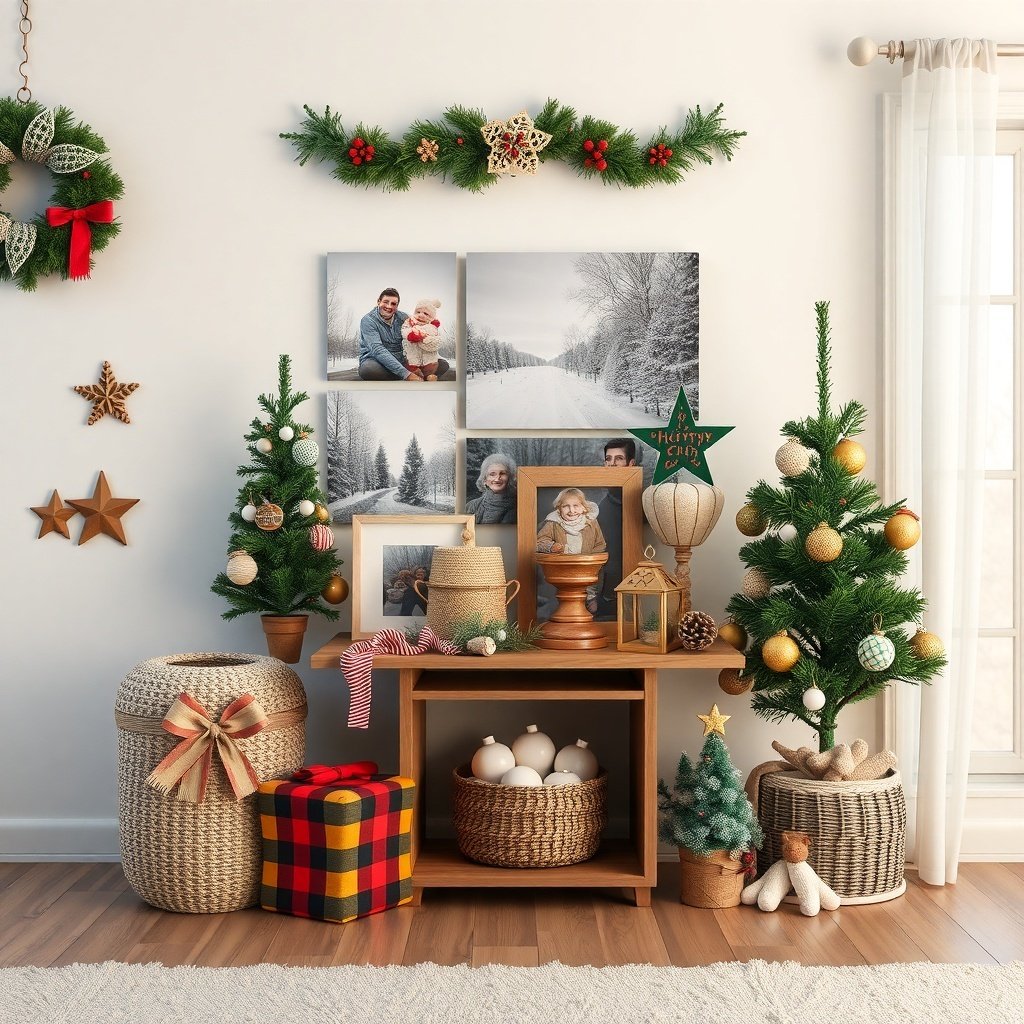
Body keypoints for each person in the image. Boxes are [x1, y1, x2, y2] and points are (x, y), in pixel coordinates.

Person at [358, 288, 450, 381]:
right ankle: (405, 374)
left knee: (443, 364)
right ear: (378, 301)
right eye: (386, 302)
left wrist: (431, 353)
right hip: (376, 359)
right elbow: (377, 349)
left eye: (393, 304)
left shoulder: (404, 317)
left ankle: (409, 373)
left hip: (402, 359)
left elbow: (420, 333)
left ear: (397, 306)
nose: (389, 306)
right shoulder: (368, 321)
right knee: (369, 370)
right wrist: (406, 374)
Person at [592, 439, 637, 617]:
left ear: (631, 464)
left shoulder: (639, 502)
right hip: (606, 597)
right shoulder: (602, 509)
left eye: (618, 459)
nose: (612, 464)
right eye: (608, 459)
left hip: (634, 592)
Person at [536, 488, 607, 555]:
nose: (571, 511)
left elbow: (600, 544)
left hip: (586, 565)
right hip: (561, 565)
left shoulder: (591, 522)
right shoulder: (553, 523)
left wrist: (588, 558)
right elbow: (539, 542)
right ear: (559, 509)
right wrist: (551, 547)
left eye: (576, 505)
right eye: (566, 506)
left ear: (583, 507)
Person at [466, 453, 517, 524]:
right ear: (485, 480)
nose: (497, 478)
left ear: (510, 478)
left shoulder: (518, 506)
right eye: (492, 474)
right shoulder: (471, 506)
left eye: (502, 473)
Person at [401, 298, 443, 381]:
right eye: (418, 312)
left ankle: (429, 376)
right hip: (412, 354)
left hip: (428, 357)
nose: (421, 315)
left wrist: (423, 338)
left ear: (431, 317)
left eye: (426, 313)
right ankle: (415, 376)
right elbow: (404, 330)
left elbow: (435, 339)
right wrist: (411, 335)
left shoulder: (432, 327)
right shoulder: (409, 322)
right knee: (411, 365)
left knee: (431, 366)